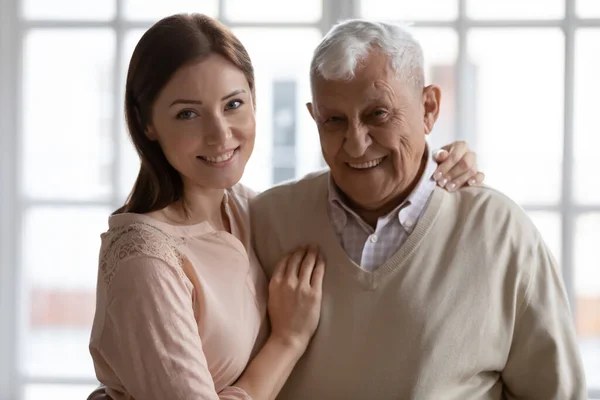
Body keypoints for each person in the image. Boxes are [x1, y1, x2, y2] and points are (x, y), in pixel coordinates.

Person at [87, 14, 484, 400]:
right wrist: (288, 340)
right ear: (146, 124)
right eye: (188, 113)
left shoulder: (251, 212)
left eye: (233, 104)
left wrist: (438, 164)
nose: (220, 134)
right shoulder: (146, 261)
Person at [249, 19, 587, 399]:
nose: (356, 144)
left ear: (428, 108)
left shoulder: (500, 231)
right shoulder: (265, 222)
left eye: (378, 114)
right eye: (334, 120)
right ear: (315, 118)